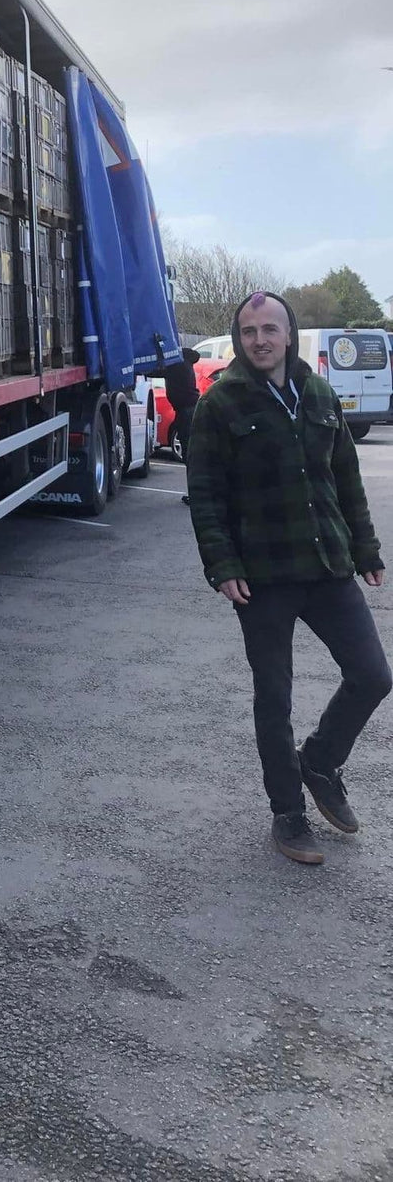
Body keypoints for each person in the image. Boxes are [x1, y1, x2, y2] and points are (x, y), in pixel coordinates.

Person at [187, 291, 390, 865]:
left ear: (289, 334)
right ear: (239, 338)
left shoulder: (321, 393)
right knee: (274, 697)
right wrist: (222, 566)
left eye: (269, 329)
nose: (259, 340)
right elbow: (205, 495)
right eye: (249, 330)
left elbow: (346, 479)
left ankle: (320, 762)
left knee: (373, 675)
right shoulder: (220, 404)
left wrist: (367, 549)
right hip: (263, 577)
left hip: (328, 566)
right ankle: (288, 813)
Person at [162, 346, 200, 504]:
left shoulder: (176, 364)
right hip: (189, 410)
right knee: (191, 455)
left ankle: (196, 494)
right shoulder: (186, 360)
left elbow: (154, 371)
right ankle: (195, 493)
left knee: (190, 456)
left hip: (186, 413)